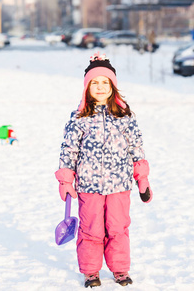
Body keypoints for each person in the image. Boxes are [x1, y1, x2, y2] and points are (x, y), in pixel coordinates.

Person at [55, 52, 153, 288]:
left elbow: (136, 147)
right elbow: (69, 150)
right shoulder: (79, 117)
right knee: (91, 229)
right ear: (87, 87)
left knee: (118, 227)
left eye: (105, 83)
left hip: (120, 185)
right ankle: (91, 271)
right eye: (94, 83)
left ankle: (120, 269)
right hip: (89, 186)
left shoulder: (125, 116)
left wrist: (142, 178)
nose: (100, 87)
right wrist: (66, 181)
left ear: (113, 86)